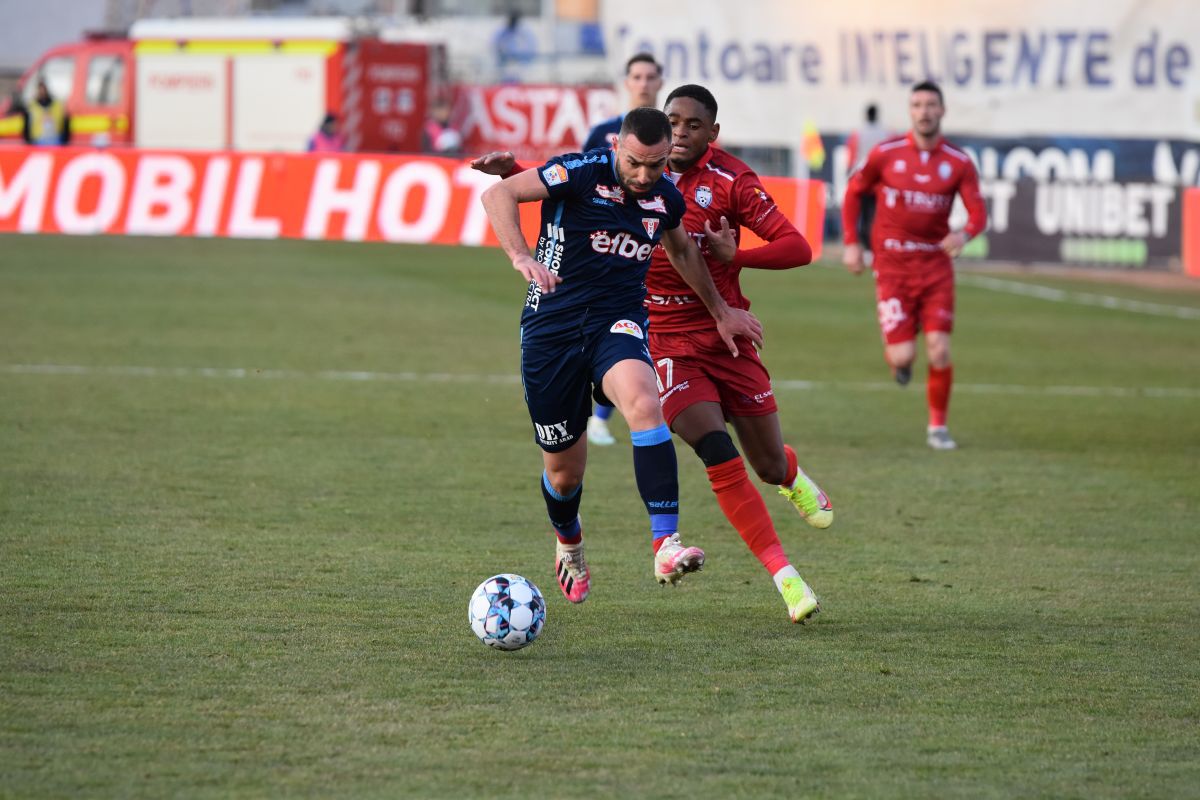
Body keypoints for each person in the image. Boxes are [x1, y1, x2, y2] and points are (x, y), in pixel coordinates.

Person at [477, 107, 763, 604]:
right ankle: (569, 542)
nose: (645, 176)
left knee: (645, 402)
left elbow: (682, 251)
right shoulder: (580, 171)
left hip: (617, 322)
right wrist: (521, 255)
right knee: (564, 474)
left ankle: (665, 544)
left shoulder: (664, 197)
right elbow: (498, 194)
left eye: (656, 165)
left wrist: (721, 311)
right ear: (617, 148)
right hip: (551, 330)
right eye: (634, 163)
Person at [648, 84, 831, 624]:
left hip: (728, 337)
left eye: (693, 125)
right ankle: (785, 576)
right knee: (716, 450)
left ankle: (790, 473)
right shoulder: (637, 170)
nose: (680, 132)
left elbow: (798, 247)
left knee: (767, 465)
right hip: (667, 342)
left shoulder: (732, 181)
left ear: (713, 132)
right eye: (672, 121)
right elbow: (573, 180)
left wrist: (739, 256)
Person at [841, 81, 987, 450]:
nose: (924, 111)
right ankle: (902, 357)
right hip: (893, 268)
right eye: (918, 105)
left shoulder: (958, 162)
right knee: (903, 355)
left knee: (939, 349)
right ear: (911, 111)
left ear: (942, 111)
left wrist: (963, 234)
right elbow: (854, 192)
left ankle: (938, 427)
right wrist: (852, 243)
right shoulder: (886, 153)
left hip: (935, 267)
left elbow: (978, 213)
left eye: (931, 105)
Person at [579, 52, 665, 446]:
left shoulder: (673, 136)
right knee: (616, 328)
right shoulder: (602, 133)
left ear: (660, 82)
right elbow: (579, 185)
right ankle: (597, 413)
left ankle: (611, 413)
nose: (644, 83)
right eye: (637, 76)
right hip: (610, 251)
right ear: (627, 82)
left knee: (642, 330)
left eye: (650, 76)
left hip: (658, 244)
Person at [844, 103, 890, 265]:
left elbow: (852, 155)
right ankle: (874, 248)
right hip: (880, 181)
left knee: (863, 216)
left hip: (862, 179)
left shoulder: (859, 133)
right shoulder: (885, 132)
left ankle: (867, 248)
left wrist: (849, 174)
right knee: (875, 216)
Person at [492, 12, 538, 83]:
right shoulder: (503, 31)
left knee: (517, 77)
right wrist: (501, 53)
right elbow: (495, 43)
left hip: (519, 62)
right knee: (505, 78)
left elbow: (531, 47)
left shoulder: (523, 31)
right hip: (505, 61)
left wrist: (522, 58)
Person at [21, 81, 70, 146]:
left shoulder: (57, 105)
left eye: (43, 90)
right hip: (37, 141)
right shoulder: (31, 106)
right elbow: (26, 124)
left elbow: (65, 121)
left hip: (56, 139)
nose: (42, 92)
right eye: (40, 90)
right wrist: (28, 141)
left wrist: (65, 140)